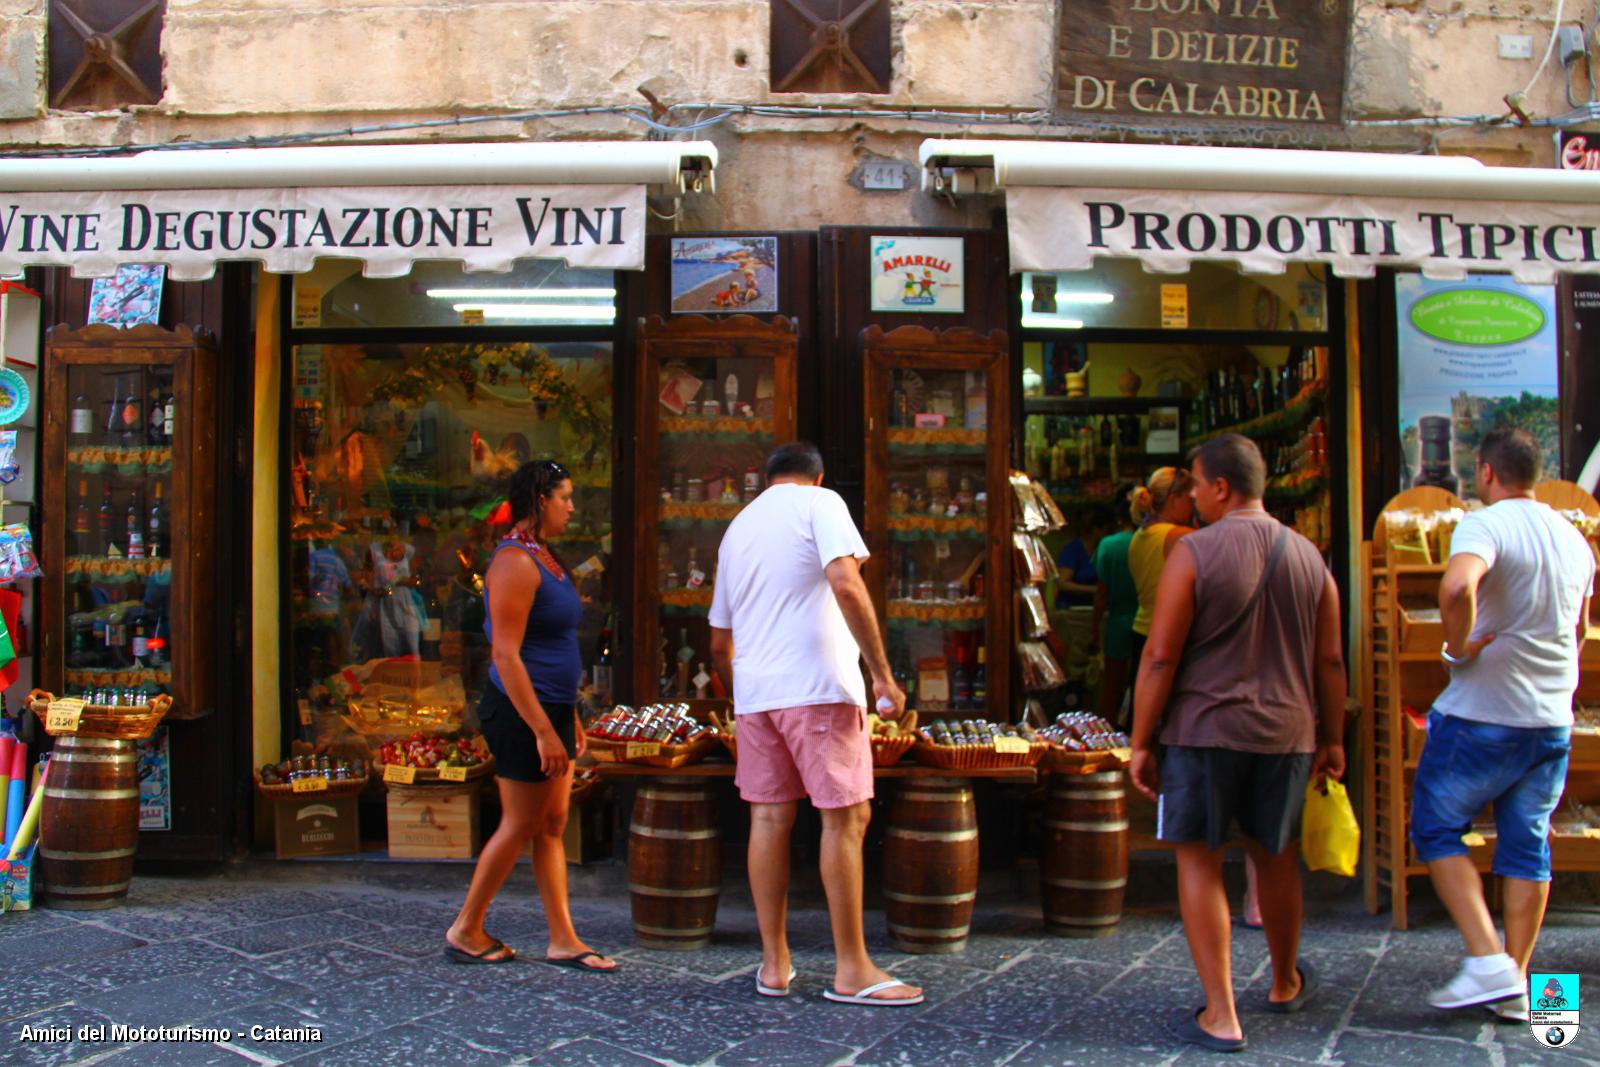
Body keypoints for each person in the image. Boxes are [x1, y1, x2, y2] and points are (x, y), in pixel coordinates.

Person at [1129, 434, 1347, 1053]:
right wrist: (1333, 736)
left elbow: (1161, 656)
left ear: (1220, 487)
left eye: (1195, 485)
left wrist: (1142, 740)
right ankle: (1282, 980)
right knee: (1275, 857)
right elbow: (1329, 660)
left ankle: (1222, 1012)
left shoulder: (1193, 552)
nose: (1192, 497)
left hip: (1202, 733)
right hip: (1288, 733)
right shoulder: (1310, 557)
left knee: (1198, 860)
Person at [708, 441, 923, 1007]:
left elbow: (717, 641)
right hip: (818, 689)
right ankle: (851, 969)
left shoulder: (737, 529)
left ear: (770, 479)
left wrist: (747, 691)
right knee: (845, 819)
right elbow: (847, 582)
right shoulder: (821, 503)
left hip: (757, 696)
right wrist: (882, 676)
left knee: (769, 819)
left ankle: (775, 964)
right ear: (817, 476)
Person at [1410, 428, 1593, 1023]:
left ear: (1486, 473)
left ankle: (1489, 961)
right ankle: (1516, 985)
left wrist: (1457, 645)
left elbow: (1458, 583)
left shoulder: (1484, 524)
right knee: (1526, 844)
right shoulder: (1576, 541)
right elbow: (1579, 629)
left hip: (1485, 713)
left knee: (1435, 828)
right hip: (1551, 720)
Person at [446, 460, 616, 972]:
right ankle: (466, 928)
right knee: (521, 822)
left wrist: (572, 717)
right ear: (540, 499)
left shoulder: (548, 557)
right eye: (564, 496)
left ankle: (563, 938)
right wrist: (544, 729)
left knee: (553, 823)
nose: (571, 506)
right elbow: (505, 655)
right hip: (522, 713)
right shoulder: (515, 562)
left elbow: (556, 641)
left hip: (554, 710)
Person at [1126, 467, 1197, 703]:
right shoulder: (1180, 536)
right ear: (1174, 499)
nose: (1194, 503)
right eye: (1189, 498)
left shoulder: (1139, 535)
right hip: (1168, 637)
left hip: (1141, 631)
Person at [1090, 485, 1140, 728]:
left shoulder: (1109, 545)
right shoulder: (1153, 541)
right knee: (1144, 686)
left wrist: (1093, 629)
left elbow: (1102, 593)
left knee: (1112, 686)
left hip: (1118, 622)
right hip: (1148, 622)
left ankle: (1106, 738)